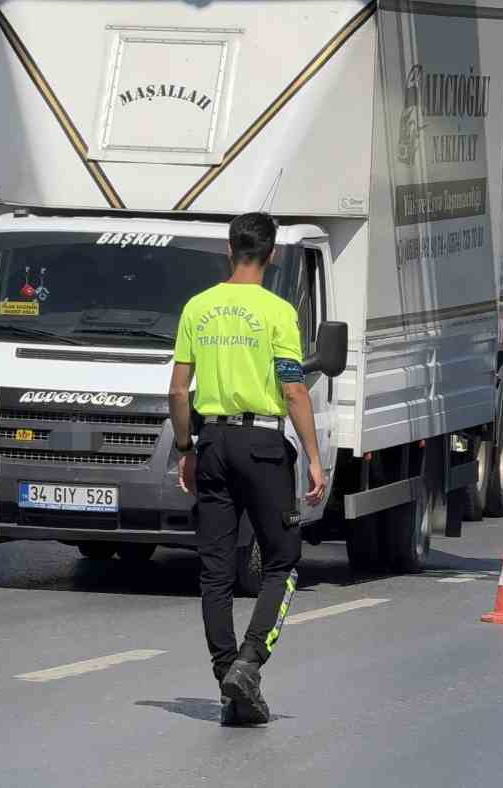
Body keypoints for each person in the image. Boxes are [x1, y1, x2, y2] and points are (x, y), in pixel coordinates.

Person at [167, 212, 326, 727]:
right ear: (272, 254)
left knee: (214, 571)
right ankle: (250, 663)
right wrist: (315, 458)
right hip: (261, 444)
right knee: (281, 561)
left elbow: (176, 390)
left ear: (227, 249)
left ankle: (226, 679)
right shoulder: (278, 312)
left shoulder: (198, 307)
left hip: (211, 441)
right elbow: (294, 389)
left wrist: (187, 446)